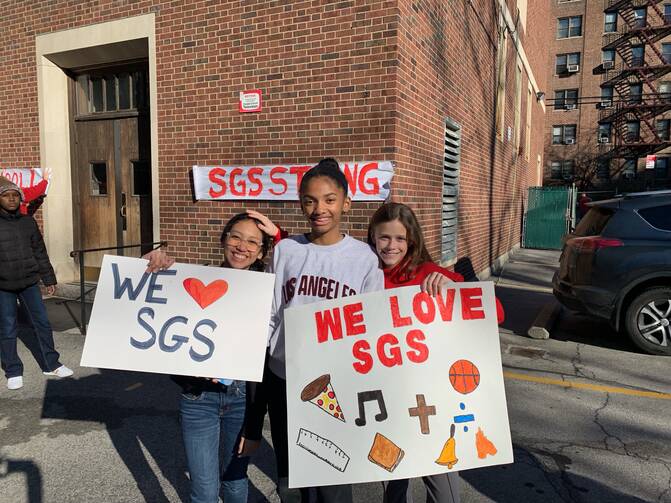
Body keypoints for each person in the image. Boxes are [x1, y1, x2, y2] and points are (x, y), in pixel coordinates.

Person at [246, 158, 385, 503]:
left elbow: (372, 325)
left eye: (329, 199)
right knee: (290, 480)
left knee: (332, 478)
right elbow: (272, 314)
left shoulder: (364, 258)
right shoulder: (287, 250)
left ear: (346, 203)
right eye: (309, 200)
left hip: (336, 385)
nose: (318, 208)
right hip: (285, 380)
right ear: (300, 203)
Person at [367, 202, 504, 503]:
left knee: (444, 492)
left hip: (433, 400)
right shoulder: (366, 274)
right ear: (373, 237)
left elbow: (494, 313)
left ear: (412, 240)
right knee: (393, 486)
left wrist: (455, 286)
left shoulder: (428, 273)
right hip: (387, 398)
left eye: (400, 238)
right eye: (384, 237)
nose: (391, 245)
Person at [162, 212, 275, 503]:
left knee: (235, 484)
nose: (242, 246)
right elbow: (167, 346)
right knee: (204, 492)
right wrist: (156, 265)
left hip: (241, 401)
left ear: (261, 251)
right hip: (199, 400)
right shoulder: (193, 281)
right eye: (236, 236)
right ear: (224, 239)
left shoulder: (267, 292)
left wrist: (254, 426)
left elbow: (264, 364)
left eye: (253, 242)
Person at [0, 177, 72, 390]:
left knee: (41, 323)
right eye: (6, 195)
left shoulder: (27, 222)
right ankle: (13, 369)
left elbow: (39, 251)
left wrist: (48, 278)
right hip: (3, 286)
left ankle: (52, 363)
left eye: (15, 196)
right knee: (7, 327)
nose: (11, 199)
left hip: (30, 282)